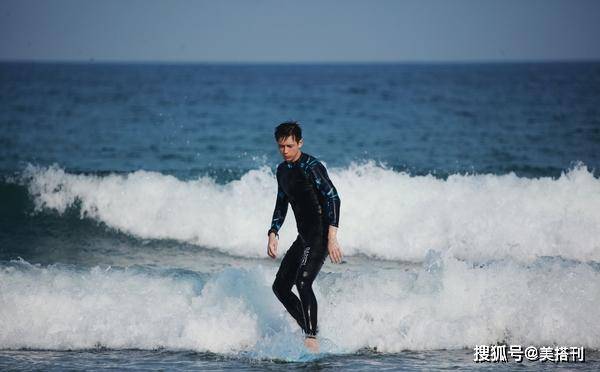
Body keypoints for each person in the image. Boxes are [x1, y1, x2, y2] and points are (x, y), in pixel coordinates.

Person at [266, 121, 343, 353]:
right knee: (280, 287)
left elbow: (333, 198)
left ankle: (311, 337)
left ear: (300, 142)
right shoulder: (282, 171)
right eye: (281, 146)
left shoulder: (312, 166)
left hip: (319, 235)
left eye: (289, 146)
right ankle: (311, 330)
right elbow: (282, 202)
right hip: (304, 237)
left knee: (302, 282)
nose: (285, 151)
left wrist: (332, 237)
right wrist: (273, 232)